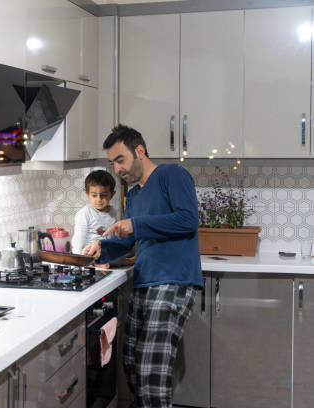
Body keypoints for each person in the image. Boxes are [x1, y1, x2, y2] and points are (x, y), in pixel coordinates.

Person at [83, 124, 203, 408]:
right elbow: (129, 240)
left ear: (139, 151)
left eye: (120, 160)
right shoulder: (134, 194)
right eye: (112, 163)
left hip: (173, 282)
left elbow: (187, 220)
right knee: (133, 368)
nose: (117, 169)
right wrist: (102, 249)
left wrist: (134, 223)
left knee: (151, 375)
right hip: (144, 283)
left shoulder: (171, 175)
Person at [71, 170, 118, 259]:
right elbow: (78, 241)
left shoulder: (113, 212)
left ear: (112, 194)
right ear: (87, 194)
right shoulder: (84, 214)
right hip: (88, 257)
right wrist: (79, 261)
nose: (99, 199)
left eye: (103, 195)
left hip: (106, 256)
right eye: (94, 195)